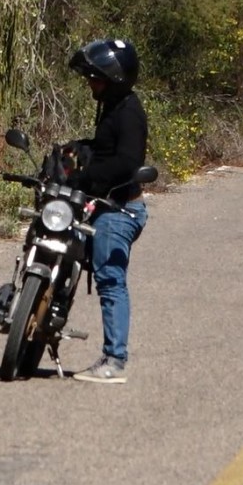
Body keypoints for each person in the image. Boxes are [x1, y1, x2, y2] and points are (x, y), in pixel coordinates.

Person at [66, 38, 148, 384]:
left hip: (119, 209)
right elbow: (105, 149)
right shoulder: (113, 108)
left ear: (113, 79)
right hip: (99, 203)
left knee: (111, 281)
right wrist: (78, 148)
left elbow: (127, 162)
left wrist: (85, 178)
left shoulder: (129, 112)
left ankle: (115, 359)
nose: (90, 83)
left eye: (95, 77)